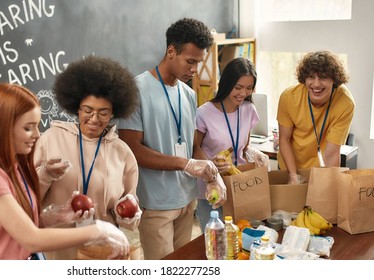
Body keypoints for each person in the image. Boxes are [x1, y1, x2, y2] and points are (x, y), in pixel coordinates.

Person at [0, 83, 129, 260]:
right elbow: (31, 239)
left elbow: (15, 226)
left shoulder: (13, 166)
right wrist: (99, 230)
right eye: (28, 128)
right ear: (3, 127)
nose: (36, 134)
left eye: (37, 125)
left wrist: (53, 217)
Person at [117, 17, 222, 260]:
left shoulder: (188, 93)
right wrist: (184, 164)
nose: (194, 69)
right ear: (171, 51)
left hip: (187, 200)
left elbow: (192, 144)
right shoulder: (136, 91)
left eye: (199, 62)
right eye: (190, 61)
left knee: (183, 262)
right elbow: (132, 149)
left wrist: (213, 175)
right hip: (156, 204)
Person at [33, 55, 142, 260]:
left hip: (102, 250)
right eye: (87, 110)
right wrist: (45, 175)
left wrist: (128, 213)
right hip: (58, 247)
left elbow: (130, 218)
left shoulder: (123, 153)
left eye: (103, 113)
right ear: (76, 108)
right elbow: (27, 198)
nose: (94, 119)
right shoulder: (50, 139)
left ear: (113, 113)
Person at [194, 57, 269, 232]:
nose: (243, 93)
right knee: (216, 240)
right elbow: (195, 148)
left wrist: (254, 153)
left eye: (249, 88)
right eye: (238, 87)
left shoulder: (249, 109)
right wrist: (211, 168)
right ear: (227, 84)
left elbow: (244, 146)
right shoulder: (204, 113)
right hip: (212, 188)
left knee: (242, 239)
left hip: (241, 184)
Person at [277, 50, 355, 183]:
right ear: (304, 79)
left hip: (320, 170)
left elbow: (331, 153)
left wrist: (326, 183)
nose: (316, 84)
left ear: (334, 80)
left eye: (323, 77)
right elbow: (284, 140)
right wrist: (293, 176)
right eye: (311, 77)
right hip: (290, 166)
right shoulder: (289, 98)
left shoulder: (345, 103)